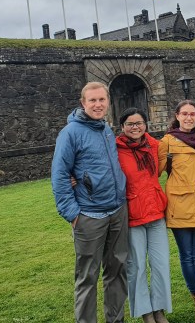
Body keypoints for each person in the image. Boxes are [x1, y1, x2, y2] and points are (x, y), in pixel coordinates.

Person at [51, 82, 129, 322]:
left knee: (117, 272)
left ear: (108, 101)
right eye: (92, 100)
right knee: (87, 277)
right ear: (83, 103)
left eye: (102, 100)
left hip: (116, 211)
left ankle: (115, 320)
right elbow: (59, 174)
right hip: (89, 215)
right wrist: (72, 214)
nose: (98, 105)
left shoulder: (105, 128)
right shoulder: (70, 133)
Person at [158, 100, 195, 323]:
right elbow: (152, 172)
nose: (189, 118)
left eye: (193, 114)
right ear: (177, 116)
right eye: (185, 114)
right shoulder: (166, 143)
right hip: (180, 206)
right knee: (187, 256)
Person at [115, 108, 171, 323]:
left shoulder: (155, 146)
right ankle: (145, 312)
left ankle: (159, 309)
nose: (135, 127)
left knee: (160, 264)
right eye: (130, 123)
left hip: (156, 212)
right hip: (132, 216)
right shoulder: (116, 150)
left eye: (139, 123)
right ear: (122, 127)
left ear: (145, 125)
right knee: (136, 266)